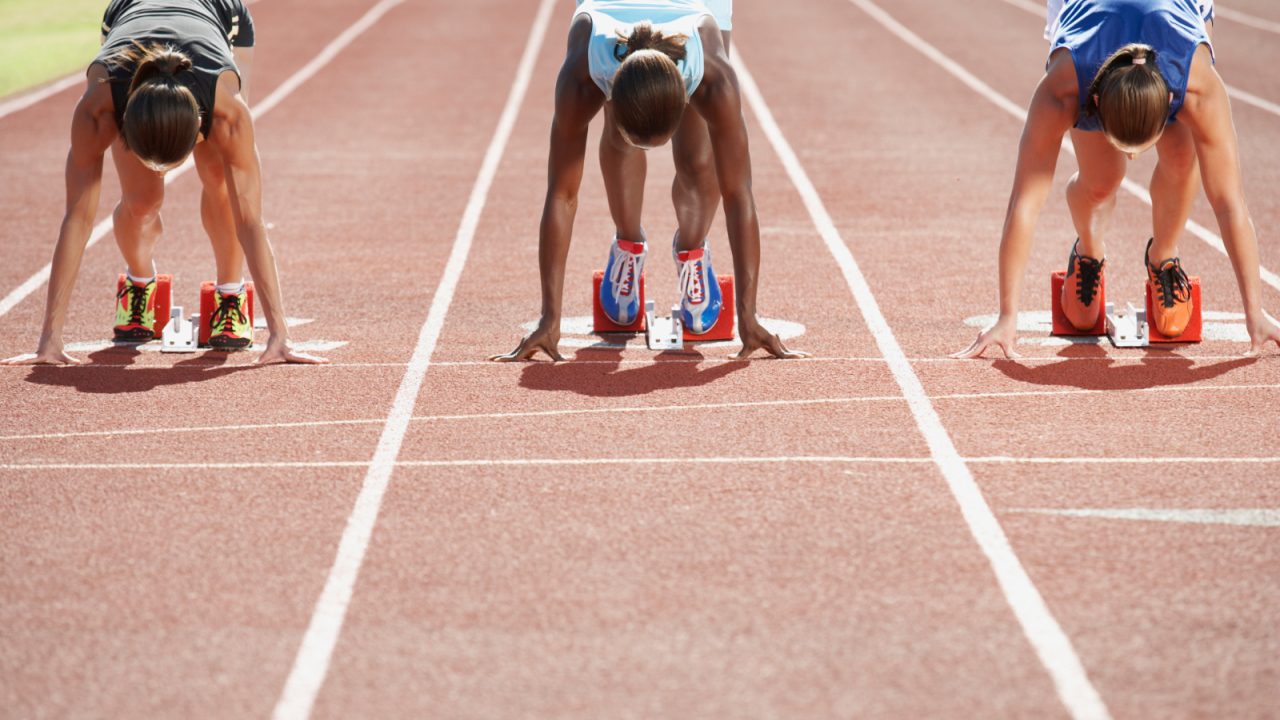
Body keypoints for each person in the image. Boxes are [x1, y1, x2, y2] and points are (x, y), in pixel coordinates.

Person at [2, 0, 323, 366]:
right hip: (129, 14)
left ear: (199, 127)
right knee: (141, 202)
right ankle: (140, 284)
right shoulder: (99, 105)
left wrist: (280, 334)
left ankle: (230, 295)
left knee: (220, 177)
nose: (163, 171)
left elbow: (250, 219)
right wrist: (49, 340)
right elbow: (77, 217)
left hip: (219, 15)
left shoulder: (226, 111)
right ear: (125, 124)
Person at [955, 0, 1280, 359]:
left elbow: (1229, 202)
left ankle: (1164, 258)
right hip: (1090, 24)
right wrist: (1007, 314)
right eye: (1122, 144)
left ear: (1171, 100)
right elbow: (1025, 202)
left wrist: (1256, 312)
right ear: (1093, 102)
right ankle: (1089, 252)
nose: (1132, 158)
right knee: (1101, 180)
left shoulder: (1197, 86)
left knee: (1182, 156)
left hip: (1174, 21)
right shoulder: (1063, 88)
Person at [491, 0, 807, 361]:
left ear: (688, 91)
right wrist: (550, 318)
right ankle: (627, 245)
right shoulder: (584, 71)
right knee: (621, 142)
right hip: (610, 16)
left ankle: (694, 252)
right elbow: (562, 193)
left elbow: (738, 192)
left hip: (695, 7)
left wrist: (749, 317)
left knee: (698, 155)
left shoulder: (713, 78)